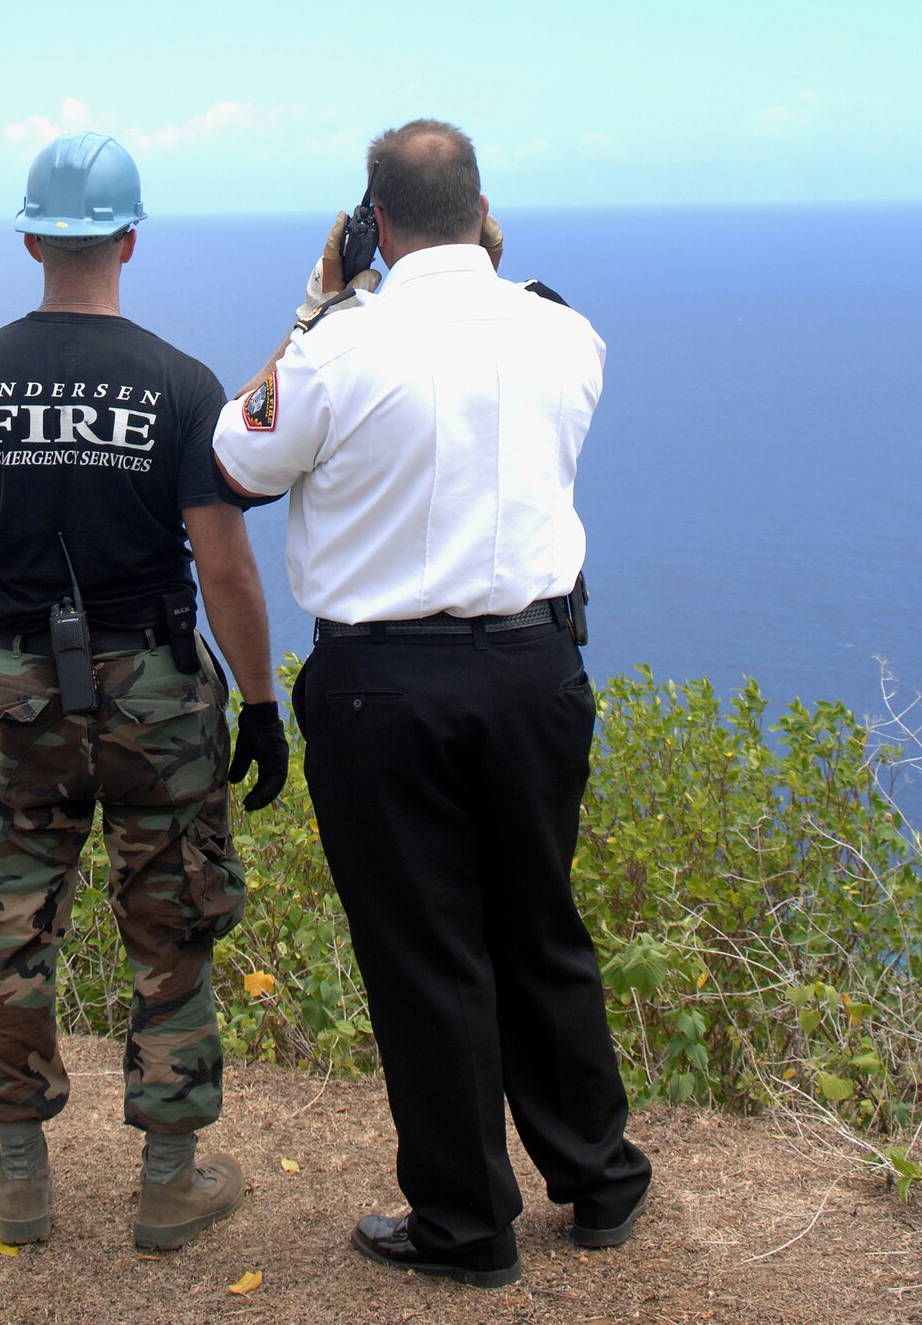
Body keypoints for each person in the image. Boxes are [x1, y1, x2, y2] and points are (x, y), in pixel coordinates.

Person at [212, 119, 651, 1292]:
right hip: (538, 669)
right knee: (537, 924)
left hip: (385, 686)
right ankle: (598, 1176)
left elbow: (239, 457)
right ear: (481, 207)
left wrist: (315, 302)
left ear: (373, 220)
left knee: (425, 951)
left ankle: (466, 1222)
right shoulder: (566, 330)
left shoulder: (340, 343)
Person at [0, 131, 287, 1254]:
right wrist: (261, 702)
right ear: (129, 238)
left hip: (16, 686)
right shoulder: (179, 382)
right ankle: (168, 1181)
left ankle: (21, 1180)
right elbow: (224, 565)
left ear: (31, 238)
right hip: (158, 691)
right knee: (170, 925)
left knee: (11, 925)